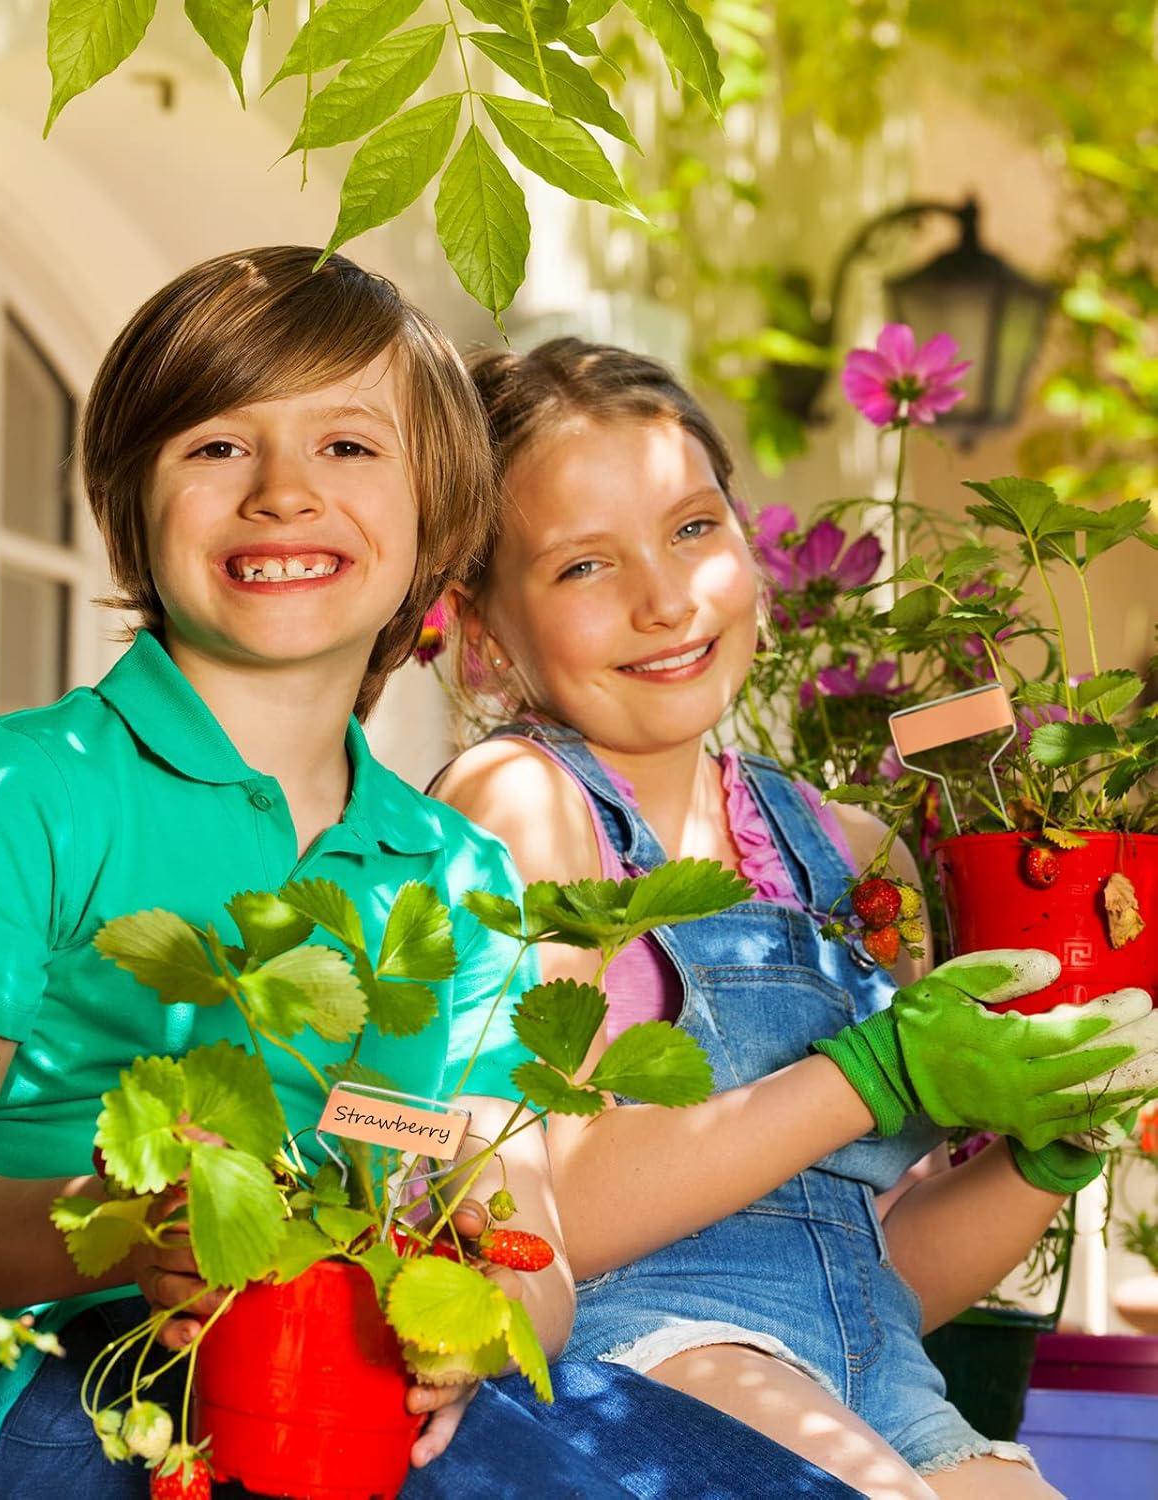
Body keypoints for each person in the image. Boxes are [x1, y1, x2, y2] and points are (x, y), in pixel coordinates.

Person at [0, 253, 860, 1499]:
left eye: (348, 448)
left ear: (437, 515)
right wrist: (126, 1228)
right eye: (218, 447)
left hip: (373, 1381)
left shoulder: (449, 873)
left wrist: (477, 1312)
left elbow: (531, 1247)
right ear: (130, 498)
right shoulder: (36, 788)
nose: (285, 494)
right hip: (91, 1385)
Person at [433, 336, 1158, 1500]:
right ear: (481, 628)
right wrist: (871, 1073)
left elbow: (875, 1271)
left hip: (874, 1369)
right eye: (582, 567)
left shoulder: (841, 850)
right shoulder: (522, 804)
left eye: (692, 529)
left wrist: (1049, 1152)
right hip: (640, 1351)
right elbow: (538, 1212)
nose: (665, 598)